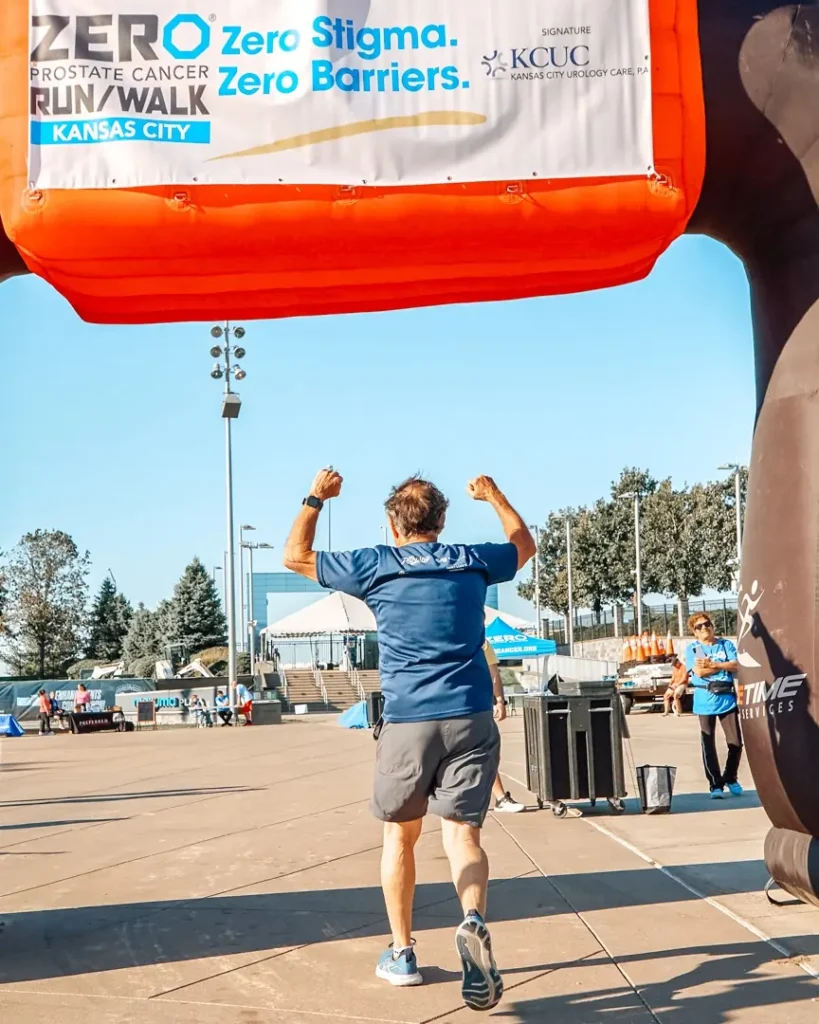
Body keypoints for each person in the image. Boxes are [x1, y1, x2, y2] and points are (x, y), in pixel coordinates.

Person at [283, 468, 536, 1010]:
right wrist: (494, 496)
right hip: (470, 716)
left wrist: (315, 498)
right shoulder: (471, 560)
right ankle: (472, 920)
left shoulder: (378, 564)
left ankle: (402, 953)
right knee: (463, 837)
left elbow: (295, 555)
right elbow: (523, 544)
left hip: (408, 721)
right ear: (441, 522)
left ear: (392, 525)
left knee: (401, 839)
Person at [685, 613, 743, 799]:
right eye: (699, 627)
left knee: (736, 743)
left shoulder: (725, 645)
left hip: (727, 700)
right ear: (694, 632)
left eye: (707, 624)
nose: (704, 628)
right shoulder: (695, 648)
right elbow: (700, 671)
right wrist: (722, 666)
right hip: (705, 701)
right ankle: (715, 784)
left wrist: (715, 664)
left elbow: (737, 664)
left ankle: (730, 776)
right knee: (708, 744)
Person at [483, 640, 525, 813]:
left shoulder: (482, 643)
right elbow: (494, 674)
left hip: (475, 706)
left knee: (486, 753)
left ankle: (500, 798)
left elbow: (494, 675)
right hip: (470, 706)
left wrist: (499, 700)